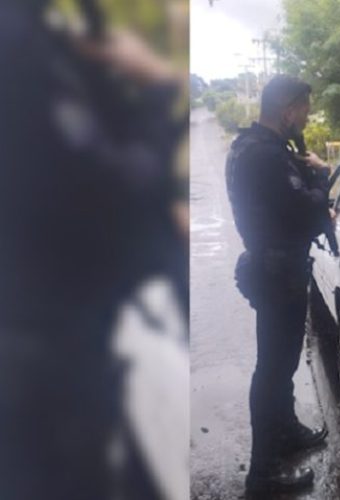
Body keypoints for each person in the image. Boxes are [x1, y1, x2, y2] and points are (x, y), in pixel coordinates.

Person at [0, 1, 187, 499]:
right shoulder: (19, 45)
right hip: (47, 340)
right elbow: (110, 182)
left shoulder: (44, 40)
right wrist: (156, 88)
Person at [225, 75, 332, 496]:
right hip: (276, 271)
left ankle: (285, 431)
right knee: (272, 369)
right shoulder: (266, 156)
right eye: (304, 109)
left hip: (271, 265)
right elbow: (307, 212)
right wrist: (322, 179)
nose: (307, 116)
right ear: (288, 110)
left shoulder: (252, 147)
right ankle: (263, 473)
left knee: (280, 364)